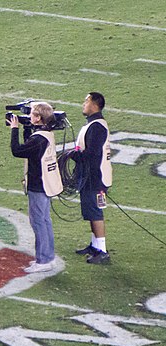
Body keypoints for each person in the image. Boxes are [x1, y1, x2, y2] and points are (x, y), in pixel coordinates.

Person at [9, 102, 63, 273]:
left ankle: (43, 260)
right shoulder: (46, 134)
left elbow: (17, 151)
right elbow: (29, 148)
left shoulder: (39, 138)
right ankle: (48, 257)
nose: (29, 117)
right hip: (46, 183)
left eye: (32, 114)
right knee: (45, 221)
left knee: (38, 221)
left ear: (39, 118)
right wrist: (27, 129)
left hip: (38, 184)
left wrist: (14, 128)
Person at [72, 92, 112, 264]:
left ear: (95, 104)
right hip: (92, 176)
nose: (83, 104)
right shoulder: (94, 124)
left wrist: (73, 155)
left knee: (95, 212)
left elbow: (92, 154)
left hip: (95, 177)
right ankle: (95, 245)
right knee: (91, 211)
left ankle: (102, 251)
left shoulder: (97, 126)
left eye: (86, 101)